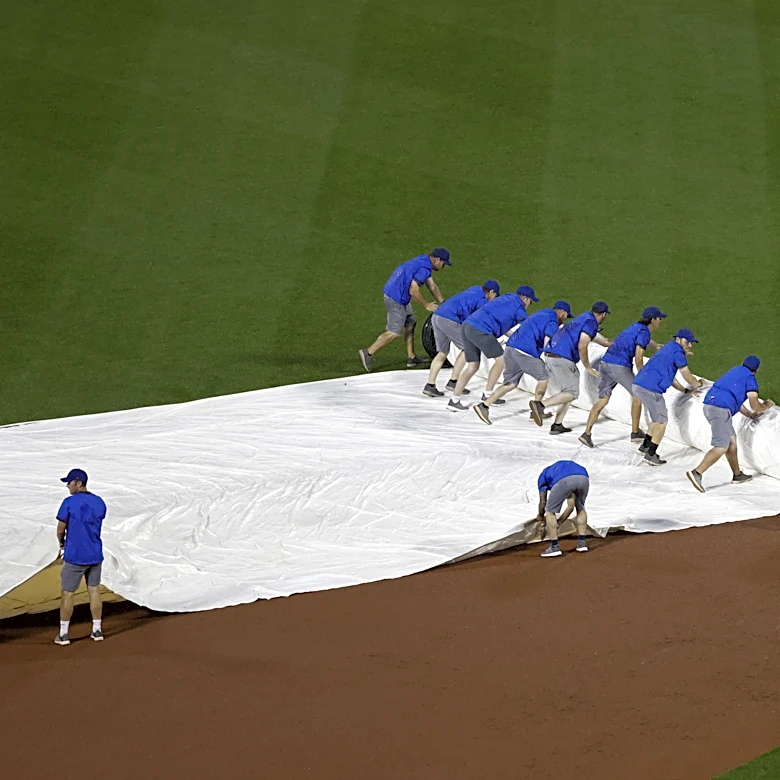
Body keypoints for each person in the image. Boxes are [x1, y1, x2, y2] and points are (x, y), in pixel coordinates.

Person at [579, 306, 666, 448]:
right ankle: (635, 432)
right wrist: (644, 378)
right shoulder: (644, 333)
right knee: (638, 395)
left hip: (605, 363)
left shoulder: (636, 326)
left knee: (603, 399)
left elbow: (642, 340)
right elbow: (638, 358)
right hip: (620, 366)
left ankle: (586, 433)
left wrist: (655, 346)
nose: (661, 321)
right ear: (652, 320)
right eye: (659, 318)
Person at [473, 301, 573, 425]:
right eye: (566, 316)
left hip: (510, 348)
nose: (565, 319)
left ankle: (484, 406)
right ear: (562, 312)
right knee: (544, 377)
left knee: (510, 383)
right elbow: (547, 343)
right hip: (525, 352)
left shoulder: (541, 313)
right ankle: (536, 410)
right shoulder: (552, 321)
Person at [686, 356, 775, 492]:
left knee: (731, 442)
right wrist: (766, 406)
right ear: (755, 370)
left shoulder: (734, 372)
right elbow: (755, 405)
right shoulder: (750, 378)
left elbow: (736, 402)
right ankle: (697, 473)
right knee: (721, 446)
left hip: (711, 406)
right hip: (720, 410)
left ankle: (737, 475)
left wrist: (750, 416)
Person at [447, 285, 539, 411]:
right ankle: (488, 395)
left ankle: (454, 400)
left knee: (472, 366)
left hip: (467, 326)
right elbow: (527, 328)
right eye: (530, 301)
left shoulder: (507, 297)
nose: (529, 304)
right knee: (501, 360)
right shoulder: (519, 308)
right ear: (525, 298)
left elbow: (502, 322)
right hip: (481, 330)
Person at [359, 248, 450, 372]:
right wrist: (426, 305)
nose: (443, 266)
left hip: (396, 293)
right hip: (396, 298)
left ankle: (412, 358)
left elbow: (432, 286)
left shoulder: (423, 260)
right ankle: (368, 353)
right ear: (437, 260)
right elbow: (413, 290)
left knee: (411, 322)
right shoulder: (424, 269)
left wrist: (443, 303)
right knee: (394, 331)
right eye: (443, 263)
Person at [530, 301, 612, 434]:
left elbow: (604, 341)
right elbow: (582, 346)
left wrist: (614, 343)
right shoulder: (591, 323)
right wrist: (588, 367)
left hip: (550, 355)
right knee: (572, 393)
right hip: (562, 357)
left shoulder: (583, 318)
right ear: (603, 315)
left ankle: (557, 424)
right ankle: (540, 405)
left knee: (567, 392)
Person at [631, 328, 704, 467]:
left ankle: (645, 446)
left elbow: (670, 378)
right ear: (679, 340)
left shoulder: (668, 348)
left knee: (656, 419)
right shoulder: (678, 353)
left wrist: (685, 391)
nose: (690, 346)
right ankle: (651, 454)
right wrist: (699, 384)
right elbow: (688, 376)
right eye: (688, 342)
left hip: (639, 385)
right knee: (662, 422)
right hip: (650, 389)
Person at [54, 469, 107, 646]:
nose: (67, 486)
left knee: (67, 593)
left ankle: (63, 634)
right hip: (95, 554)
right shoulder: (99, 502)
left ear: (78, 482)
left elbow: (61, 529)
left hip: (75, 556)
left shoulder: (69, 502)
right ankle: (97, 629)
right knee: (94, 591)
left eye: (69, 482)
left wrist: (61, 543)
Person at [423, 280, 500, 397]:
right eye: (495, 296)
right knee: (468, 348)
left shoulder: (475, 289)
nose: (494, 299)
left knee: (442, 352)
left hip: (437, 316)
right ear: (492, 292)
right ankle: (453, 382)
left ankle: (430, 385)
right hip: (449, 319)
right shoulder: (483, 301)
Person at [535, 460, 591, 557]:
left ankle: (554, 547)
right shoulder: (559, 470)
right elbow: (571, 506)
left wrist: (540, 515)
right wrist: (559, 522)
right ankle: (582, 543)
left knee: (550, 511)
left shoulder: (542, 477)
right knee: (580, 508)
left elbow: (543, 502)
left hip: (564, 480)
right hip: (583, 477)